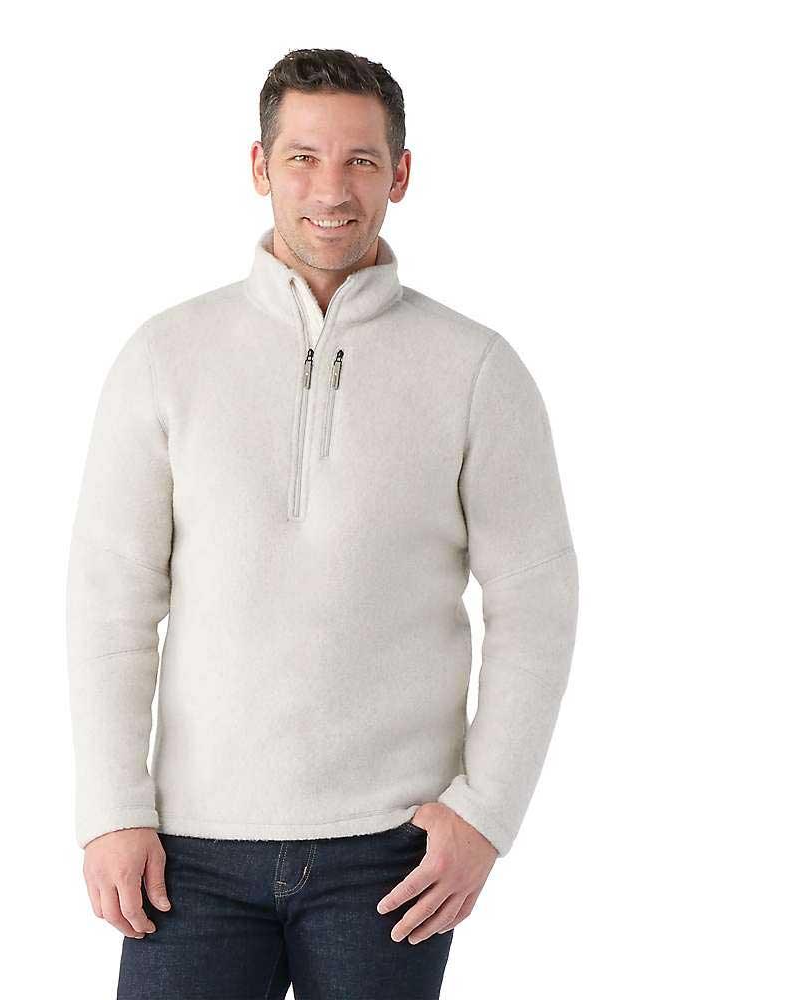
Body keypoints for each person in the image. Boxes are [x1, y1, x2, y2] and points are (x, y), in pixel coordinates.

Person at [66, 47, 579, 1000]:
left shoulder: (476, 370)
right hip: (189, 851)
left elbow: (536, 604)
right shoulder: (165, 358)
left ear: (401, 174)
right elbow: (111, 602)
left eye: (360, 161)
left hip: (391, 855)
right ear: (259, 167)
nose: (331, 189)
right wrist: (110, 808)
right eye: (302, 158)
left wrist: (487, 813)